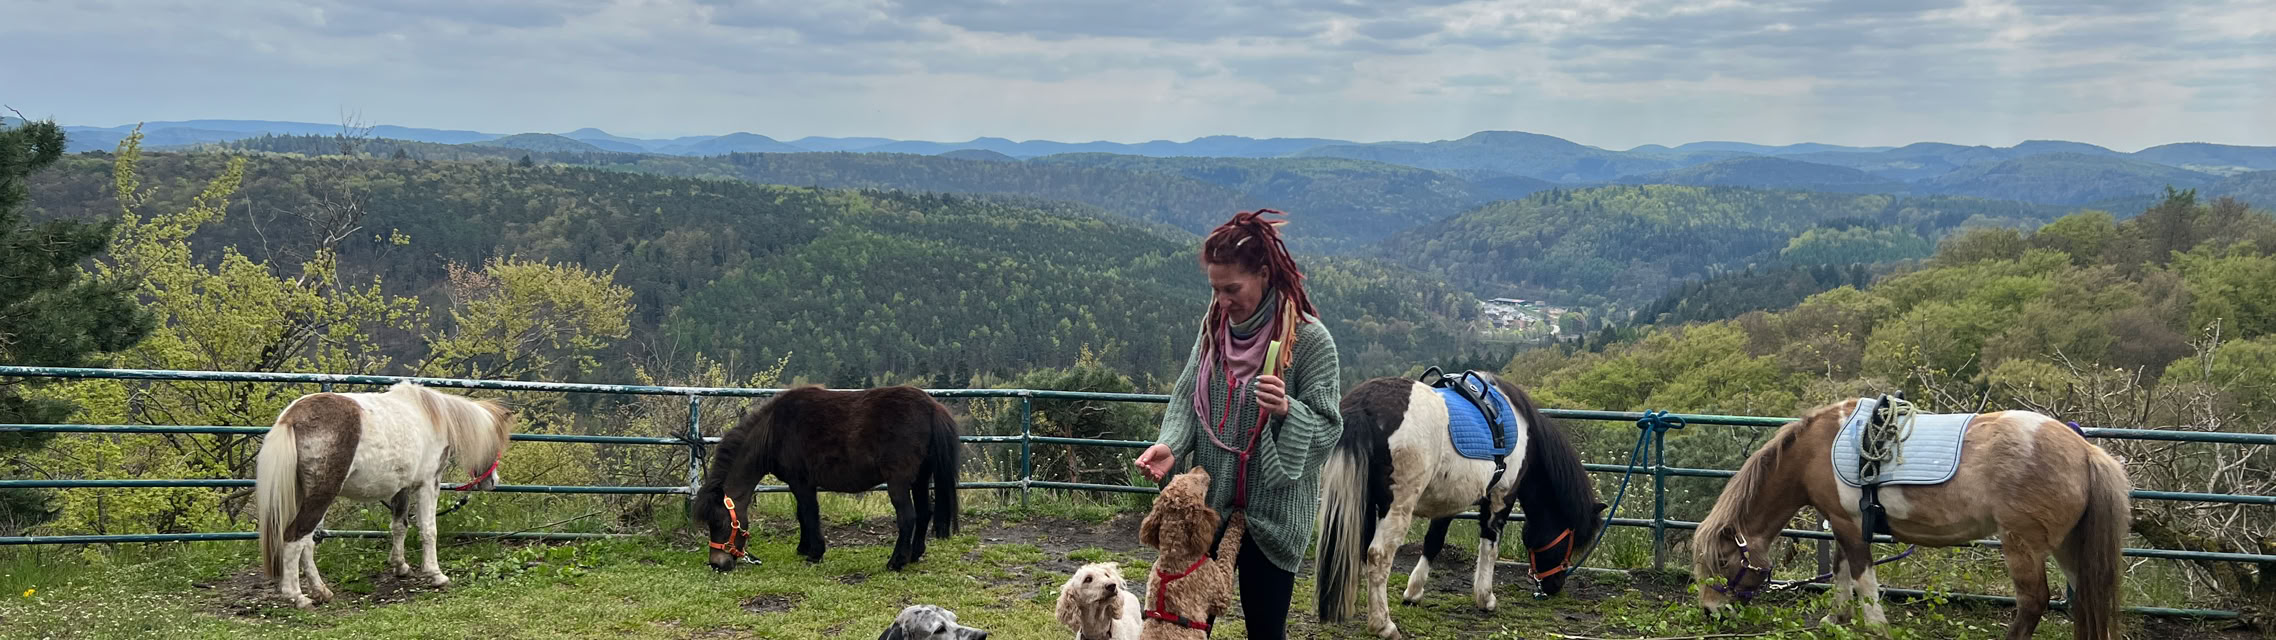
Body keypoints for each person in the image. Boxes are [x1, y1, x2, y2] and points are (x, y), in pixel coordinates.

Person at [1134, 208, 1344, 640]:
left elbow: (1328, 426)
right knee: (1186, 626)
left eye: (1232, 289)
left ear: (1264, 274)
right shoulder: (1213, 328)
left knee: (1266, 633)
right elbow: (1187, 394)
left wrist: (1289, 410)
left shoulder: (1310, 341)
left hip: (1276, 517)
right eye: (1215, 289)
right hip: (1211, 512)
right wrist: (1171, 445)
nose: (1223, 302)